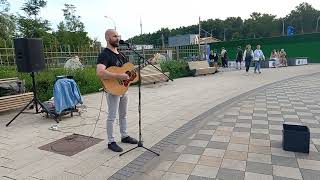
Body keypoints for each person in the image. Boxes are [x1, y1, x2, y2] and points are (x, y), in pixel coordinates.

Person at [96, 29, 138, 152]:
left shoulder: (121, 54)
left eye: (118, 36)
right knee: (112, 116)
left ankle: (124, 136)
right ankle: (111, 142)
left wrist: (132, 75)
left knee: (123, 114)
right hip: (113, 89)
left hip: (123, 89)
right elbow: (100, 72)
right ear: (108, 38)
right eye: (115, 36)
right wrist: (119, 77)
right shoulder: (104, 54)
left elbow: (127, 71)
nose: (118, 38)